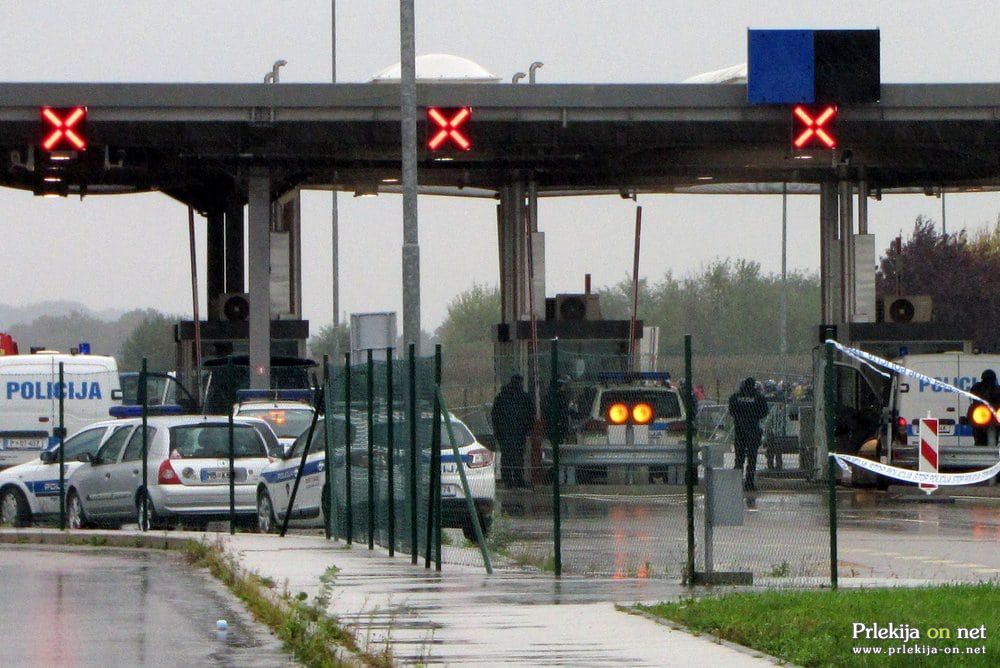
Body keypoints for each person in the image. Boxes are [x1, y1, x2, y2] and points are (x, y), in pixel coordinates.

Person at [491, 374, 534, 488]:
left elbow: (495, 415)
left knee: (507, 456)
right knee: (518, 456)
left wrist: (498, 431)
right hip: (518, 432)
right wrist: (528, 428)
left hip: (505, 432)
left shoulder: (502, 397)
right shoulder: (523, 397)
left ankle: (508, 479)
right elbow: (531, 414)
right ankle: (517, 478)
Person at [728, 377, 770, 491]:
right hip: (753, 431)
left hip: (739, 431)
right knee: (752, 459)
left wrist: (740, 417)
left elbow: (731, 411)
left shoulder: (735, 397)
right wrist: (753, 416)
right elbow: (764, 412)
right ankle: (749, 483)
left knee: (739, 459)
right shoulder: (758, 397)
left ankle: (736, 483)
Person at [969, 369, 1000, 446]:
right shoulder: (977, 387)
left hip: (984, 418)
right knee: (981, 440)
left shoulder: (977, 387)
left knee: (980, 441)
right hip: (982, 417)